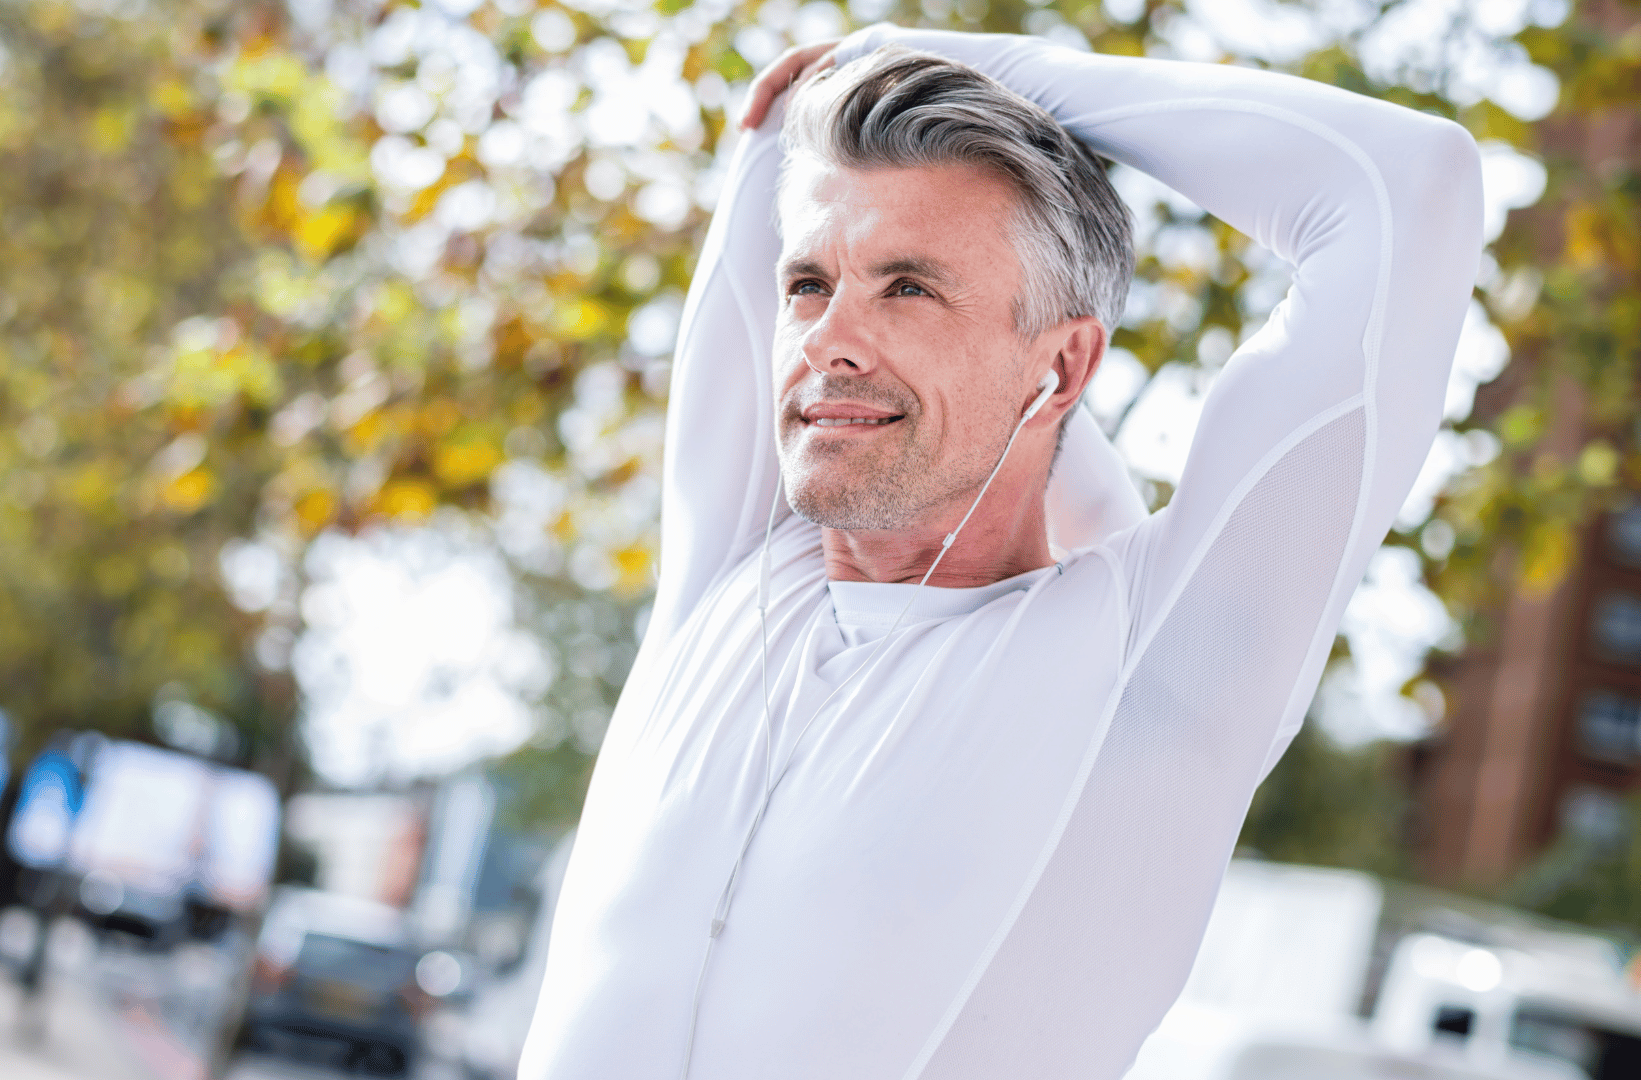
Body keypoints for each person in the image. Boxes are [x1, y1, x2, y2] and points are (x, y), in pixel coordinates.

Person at [521, 24, 1483, 1080]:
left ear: (1061, 366)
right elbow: (772, 146)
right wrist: (856, 87)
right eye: (808, 285)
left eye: (909, 288)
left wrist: (951, 54)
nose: (829, 337)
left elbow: (1408, 189)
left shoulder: (1150, 669)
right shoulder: (735, 576)